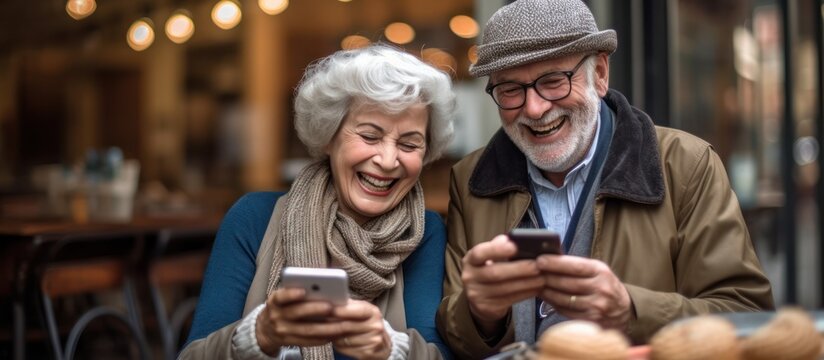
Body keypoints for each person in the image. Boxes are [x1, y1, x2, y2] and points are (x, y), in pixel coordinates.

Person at [435, 0, 774, 358]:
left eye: (553, 81)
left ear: (599, 73)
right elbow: (455, 338)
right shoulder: (469, 180)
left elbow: (747, 316)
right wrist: (479, 313)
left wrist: (631, 309)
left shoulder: (687, 166)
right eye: (510, 90)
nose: (534, 108)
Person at [180, 44, 456, 360]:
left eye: (409, 144)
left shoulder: (424, 231)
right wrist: (260, 335)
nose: (388, 159)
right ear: (329, 136)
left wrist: (392, 349)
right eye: (369, 136)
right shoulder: (254, 218)